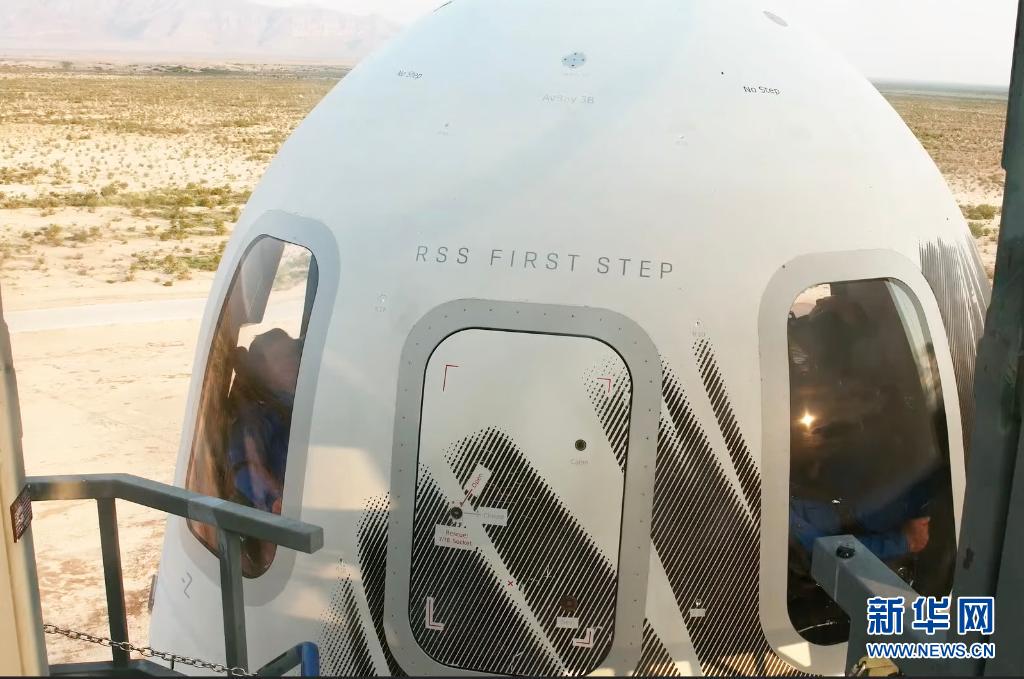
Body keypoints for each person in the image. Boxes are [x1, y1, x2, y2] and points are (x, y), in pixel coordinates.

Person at [226, 328, 302, 517]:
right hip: (291, 511)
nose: (289, 362)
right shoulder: (257, 416)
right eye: (278, 358)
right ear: (262, 370)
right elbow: (245, 466)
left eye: (291, 354)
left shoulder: (307, 399)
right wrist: (275, 499)